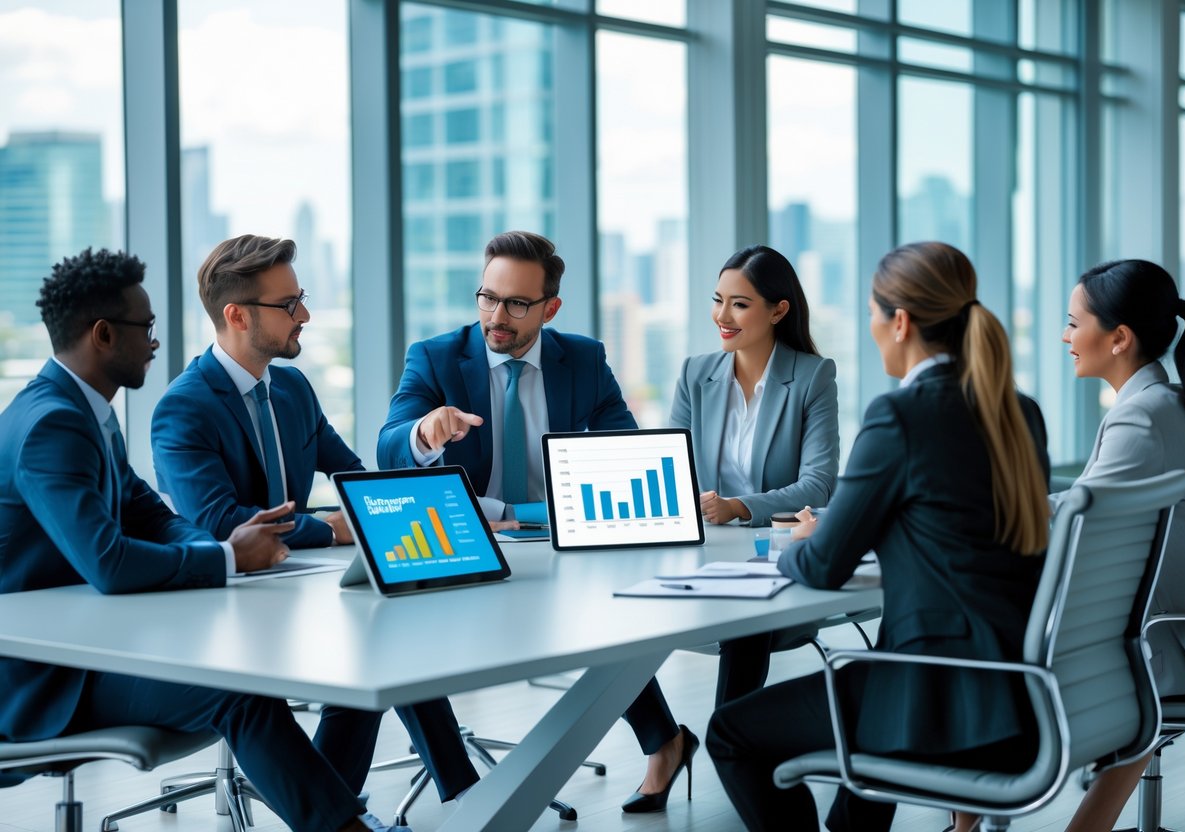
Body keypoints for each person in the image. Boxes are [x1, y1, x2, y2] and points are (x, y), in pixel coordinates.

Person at [0, 248, 404, 832]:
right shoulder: (53, 425)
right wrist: (225, 557)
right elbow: (109, 563)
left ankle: (328, 818)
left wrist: (224, 555)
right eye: (147, 328)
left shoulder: (84, 412)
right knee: (237, 691)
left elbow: (149, 513)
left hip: (96, 640)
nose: (157, 344)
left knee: (342, 665)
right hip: (49, 679)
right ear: (104, 335)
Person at [707, 241, 1051, 832]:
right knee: (857, 774)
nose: (870, 327)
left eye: (871, 312)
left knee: (730, 732)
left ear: (900, 321)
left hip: (935, 694)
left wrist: (807, 542)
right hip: (1021, 692)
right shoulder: (1019, 409)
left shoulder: (902, 416)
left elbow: (820, 570)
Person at [151, 235, 479, 804]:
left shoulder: (295, 388)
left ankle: (455, 800)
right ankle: (443, 800)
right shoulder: (184, 406)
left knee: (391, 637)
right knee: (375, 649)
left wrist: (449, 514)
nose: (304, 315)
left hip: (296, 587)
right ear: (236, 315)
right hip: (227, 600)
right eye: (288, 306)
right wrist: (328, 527)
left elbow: (353, 477)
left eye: (299, 298)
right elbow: (219, 523)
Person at [377, 230, 695, 813]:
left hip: (554, 537)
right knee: (400, 630)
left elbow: (625, 457)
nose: (497, 317)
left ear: (550, 308)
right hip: (465, 539)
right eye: (487, 297)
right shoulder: (436, 357)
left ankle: (665, 740)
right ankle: (464, 794)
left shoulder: (584, 359)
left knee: (607, 612)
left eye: (517, 304)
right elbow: (389, 448)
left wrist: (520, 514)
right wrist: (424, 433)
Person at [1059, 260, 1185, 832]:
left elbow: (1072, 516)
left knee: (985, 650)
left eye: (1073, 323)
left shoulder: (1144, 418)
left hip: (1183, 646)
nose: (1065, 337)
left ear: (1119, 338)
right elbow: (1078, 500)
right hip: (1180, 633)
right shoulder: (1163, 403)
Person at [669, 244, 839, 706]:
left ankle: (729, 740)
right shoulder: (695, 374)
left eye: (739, 304)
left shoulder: (812, 377)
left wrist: (740, 507)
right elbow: (672, 468)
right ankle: (662, 740)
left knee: (746, 617)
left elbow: (818, 483)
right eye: (718, 299)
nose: (722, 314)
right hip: (702, 551)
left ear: (778, 310)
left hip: (771, 555)